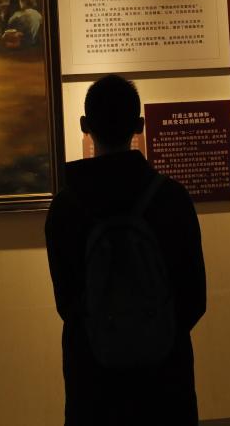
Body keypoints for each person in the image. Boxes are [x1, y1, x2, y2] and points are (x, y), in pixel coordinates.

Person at [45, 75, 206, 426]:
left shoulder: (65, 207)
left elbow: (66, 303)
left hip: (93, 382)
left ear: (85, 125)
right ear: (139, 125)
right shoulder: (171, 198)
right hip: (165, 381)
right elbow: (194, 299)